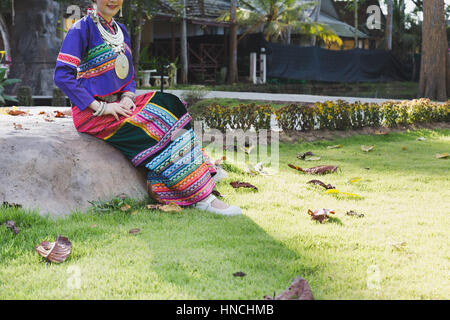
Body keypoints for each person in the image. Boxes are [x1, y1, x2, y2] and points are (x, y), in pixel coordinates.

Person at [54, 0, 241, 216]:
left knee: (172, 104)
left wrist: (127, 97)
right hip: (94, 114)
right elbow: (62, 76)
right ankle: (201, 197)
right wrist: (101, 108)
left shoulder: (120, 30)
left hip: (120, 107)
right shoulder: (81, 29)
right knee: (158, 124)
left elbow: (127, 74)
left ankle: (200, 170)